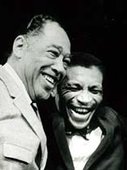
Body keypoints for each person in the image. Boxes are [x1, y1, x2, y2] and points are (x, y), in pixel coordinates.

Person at [0, 14, 71, 170]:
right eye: (53, 53)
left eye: (66, 62)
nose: (60, 68)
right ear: (20, 46)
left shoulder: (35, 106)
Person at [45, 52, 124, 170]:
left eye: (94, 90)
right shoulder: (42, 129)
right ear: (55, 90)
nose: (85, 99)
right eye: (74, 88)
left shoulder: (117, 127)